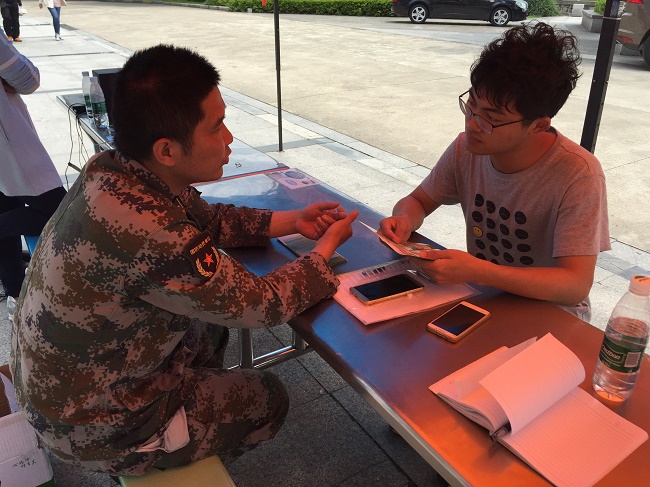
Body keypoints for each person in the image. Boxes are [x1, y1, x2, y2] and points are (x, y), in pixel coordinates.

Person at [11, 44, 358, 476]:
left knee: (207, 327)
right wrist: (325, 252)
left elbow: (206, 220)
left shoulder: (114, 168)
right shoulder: (147, 229)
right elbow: (262, 304)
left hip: (66, 387)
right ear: (167, 150)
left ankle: (185, 410)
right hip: (93, 427)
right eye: (217, 127)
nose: (229, 138)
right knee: (267, 397)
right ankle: (166, 452)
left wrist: (293, 220)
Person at [379, 22, 609, 321]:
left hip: (552, 313)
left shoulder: (578, 174)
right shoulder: (467, 148)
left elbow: (574, 285)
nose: (472, 124)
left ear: (538, 125)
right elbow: (418, 201)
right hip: (486, 295)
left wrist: (480, 271)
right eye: (471, 106)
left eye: (491, 119)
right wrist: (404, 219)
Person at [0, 30, 66, 318]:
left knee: (5, 204)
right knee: (63, 211)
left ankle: (15, 292)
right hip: (7, 141)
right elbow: (27, 78)